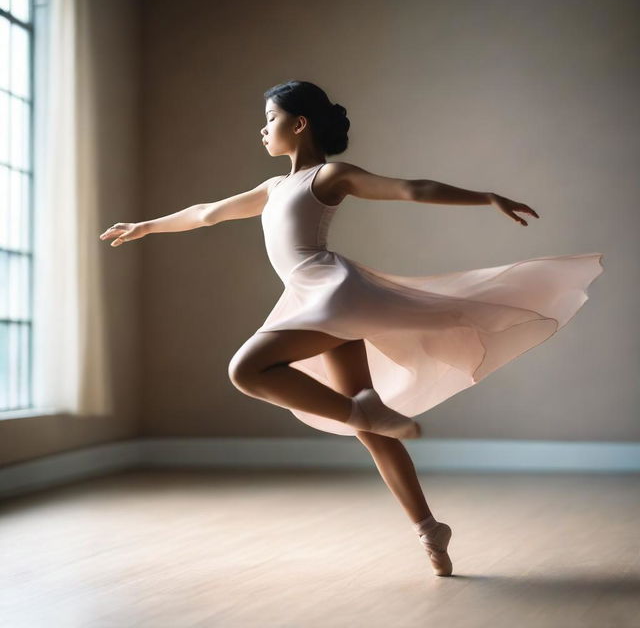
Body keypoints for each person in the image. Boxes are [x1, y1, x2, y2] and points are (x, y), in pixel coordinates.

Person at [99, 80, 604, 577]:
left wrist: (485, 197)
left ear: (299, 125)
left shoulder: (330, 176)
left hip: (330, 292)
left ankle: (362, 413)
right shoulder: (274, 188)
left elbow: (410, 189)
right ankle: (431, 530)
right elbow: (207, 214)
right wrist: (146, 226)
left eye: (270, 119)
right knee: (371, 427)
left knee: (248, 370)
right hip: (311, 296)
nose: (262, 129)